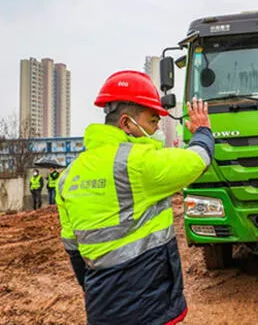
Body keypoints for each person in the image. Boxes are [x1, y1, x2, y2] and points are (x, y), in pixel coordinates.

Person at [55, 70, 214, 325]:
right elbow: (198, 159)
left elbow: (73, 249)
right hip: (147, 307)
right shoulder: (137, 163)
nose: (157, 129)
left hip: (101, 304)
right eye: (153, 121)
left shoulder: (69, 175)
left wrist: (97, 292)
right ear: (127, 123)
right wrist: (203, 130)